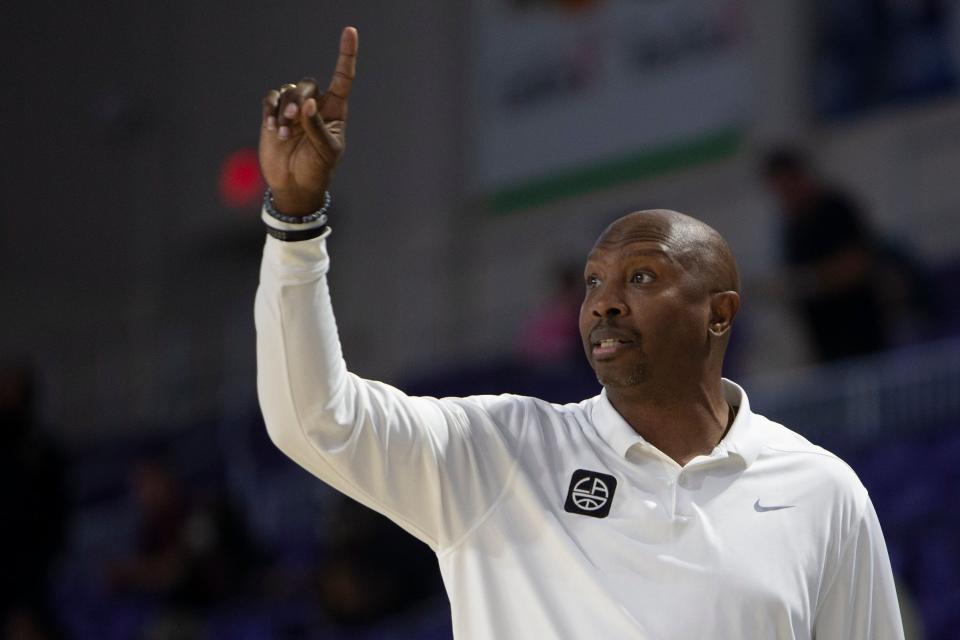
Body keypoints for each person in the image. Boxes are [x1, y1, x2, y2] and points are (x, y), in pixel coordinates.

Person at [255, 27, 904, 639]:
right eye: (593, 283)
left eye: (642, 278)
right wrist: (295, 221)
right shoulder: (501, 452)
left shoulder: (824, 492)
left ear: (720, 313)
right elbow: (314, 419)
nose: (605, 304)